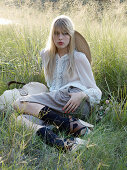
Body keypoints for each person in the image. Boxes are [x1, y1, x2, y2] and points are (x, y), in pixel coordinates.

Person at [13, 15, 102, 151]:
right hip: (58, 106)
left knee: (19, 103)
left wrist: (82, 95)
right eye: (57, 33)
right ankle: (61, 142)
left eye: (65, 33)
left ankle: (67, 124)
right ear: (52, 35)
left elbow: (97, 92)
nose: (60, 37)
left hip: (73, 101)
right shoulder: (46, 56)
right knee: (19, 119)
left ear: (71, 36)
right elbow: (52, 87)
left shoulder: (78, 58)